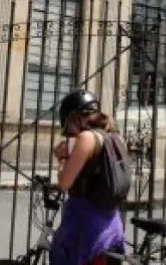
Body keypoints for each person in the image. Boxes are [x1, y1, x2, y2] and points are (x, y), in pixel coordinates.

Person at [49, 89, 126, 265]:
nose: (71, 134)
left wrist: (62, 158)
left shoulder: (87, 138)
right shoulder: (116, 138)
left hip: (86, 230)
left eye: (68, 128)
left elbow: (64, 183)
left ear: (74, 118)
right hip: (111, 229)